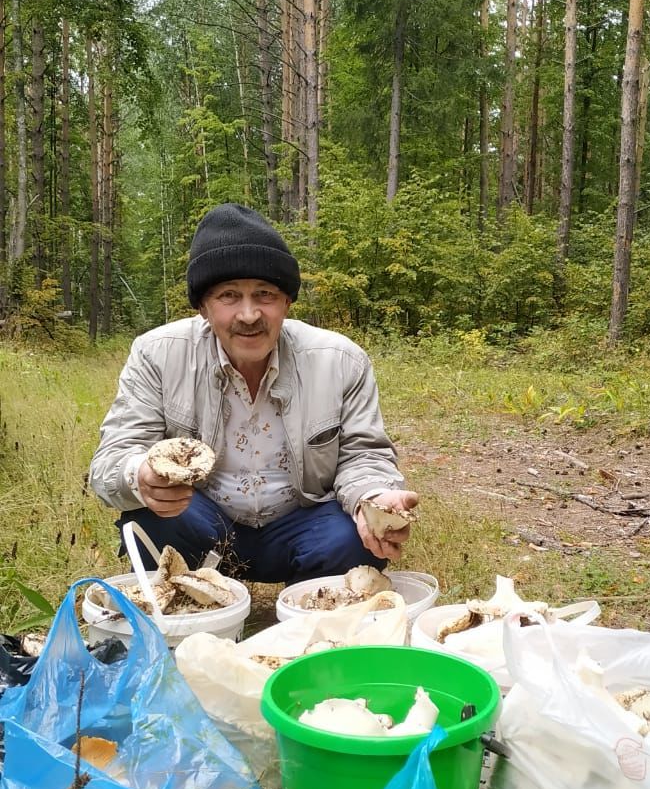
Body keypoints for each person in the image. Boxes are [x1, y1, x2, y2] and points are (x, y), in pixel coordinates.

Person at [89, 203, 418, 583]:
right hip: (205, 526)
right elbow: (112, 459)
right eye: (229, 296)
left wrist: (374, 497)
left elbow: (364, 454)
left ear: (287, 303)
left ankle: (315, 617)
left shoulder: (341, 360)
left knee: (352, 537)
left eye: (265, 294)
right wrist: (140, 477)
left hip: (302, 526)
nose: (248, 315)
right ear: (203, 307)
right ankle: (187, 609)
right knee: (154, 517)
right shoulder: (157, 354)